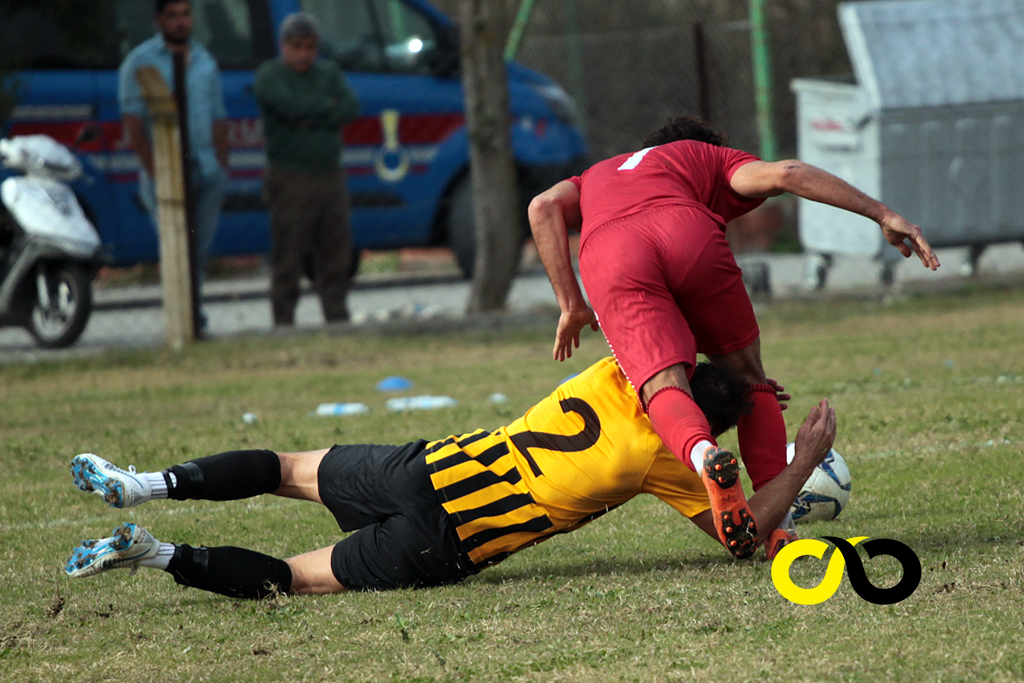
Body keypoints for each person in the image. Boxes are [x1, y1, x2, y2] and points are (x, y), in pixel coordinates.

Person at [64, 358, 836, 599]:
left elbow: (662, 320)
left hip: (430, 465)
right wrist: (799, 459)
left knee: (282, 467)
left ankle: (143, 482)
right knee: (292, 581)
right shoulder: (667, 461)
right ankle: (153, 553)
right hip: (450, 540)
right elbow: (741, 534)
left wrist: (738, 378)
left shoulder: (616, 366)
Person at [528, 116, 941, 559]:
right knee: (749, 380)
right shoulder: (702, 155)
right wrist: (882, 213)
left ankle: (704, 455)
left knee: (664, 388)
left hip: (611, 250)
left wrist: (570, 303)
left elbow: (542, 206)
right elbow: (787, 174)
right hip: (687, 231)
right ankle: (780, 532)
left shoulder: (595, 175)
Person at [119, 0, 229, 325]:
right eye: (173, 16)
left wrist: (222, 163)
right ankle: (183, 317)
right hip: (166, 170)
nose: (181, 23)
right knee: (175, 245)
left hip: (206, 167)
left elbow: (219, 115)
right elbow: (133, 123)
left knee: (200, 247)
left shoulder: (205, 60)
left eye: (186, 14)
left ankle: (192, 312)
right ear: (159, 20)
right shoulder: (140, 62)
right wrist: (154, 169)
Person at [253, 12, 360, 326]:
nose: (303, 55)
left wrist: (308, 117)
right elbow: (286, 105)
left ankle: (337, 315)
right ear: (283, 45)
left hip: (329, 174)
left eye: (310, 47)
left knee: (337, 253)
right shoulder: (270, 74)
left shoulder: (329, 73)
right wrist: (325, 107)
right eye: (296, 46)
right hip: (290, 175)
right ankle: (284, 319)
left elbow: (350, 107)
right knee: (289, 254)